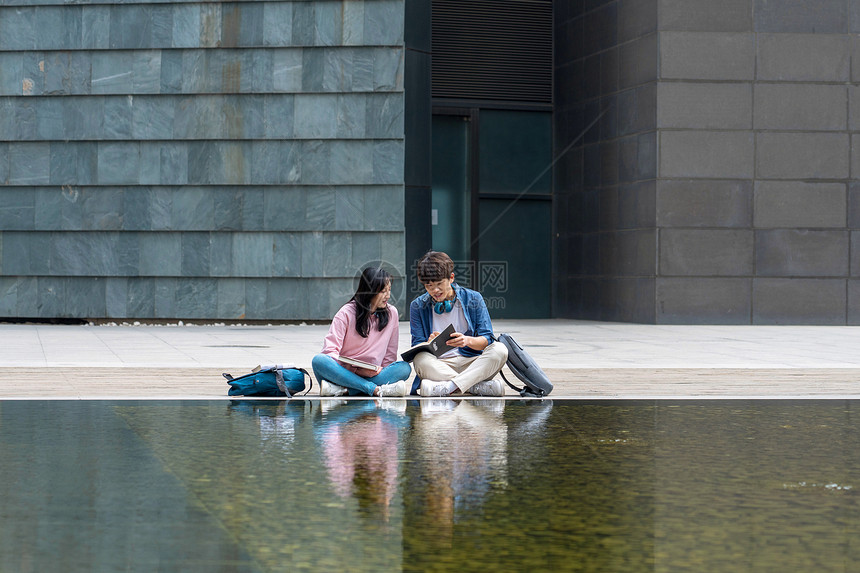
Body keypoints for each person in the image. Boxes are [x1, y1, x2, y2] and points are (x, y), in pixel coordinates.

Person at [409, 251, 508, 397]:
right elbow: (417, 345)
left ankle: (449, 387)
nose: (435, 290)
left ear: (451, 278)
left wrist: (467, 340)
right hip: (440, 365)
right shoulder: (417, 306)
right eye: (429, 286)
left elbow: (486, 340)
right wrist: (429, 343)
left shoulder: (473, 298)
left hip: (473, 363)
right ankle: (473, 386)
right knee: (420, 359)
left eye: (439, 284)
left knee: (500, 350)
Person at [312, 266, 411, 397]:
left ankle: (345, 390)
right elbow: (330, 351)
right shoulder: (346, 313)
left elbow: (389, 356)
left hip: (372, 374)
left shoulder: (392, 313)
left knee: (404, 368)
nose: (388, 296)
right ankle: (371, 388)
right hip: (343, 374)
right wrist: (355, 370)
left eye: (389, 290)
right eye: (383, 291)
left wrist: (380, 371)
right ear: (369, 291)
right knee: (319, 360)